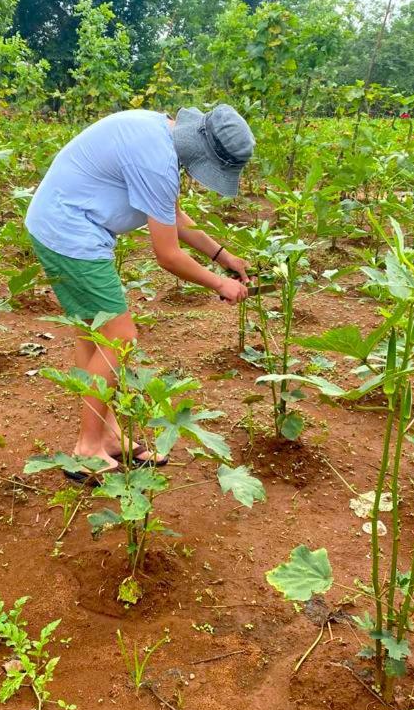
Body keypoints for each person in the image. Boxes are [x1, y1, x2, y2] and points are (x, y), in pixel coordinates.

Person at [25, 104, 255, 475]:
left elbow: (174, 217)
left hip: (61, 224)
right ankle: (86, 448)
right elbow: (167, 255)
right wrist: (219, 283)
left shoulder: (159, 133)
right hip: (70, 234)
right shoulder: (157, 160)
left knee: (93, 337)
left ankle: (109, 436)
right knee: (120, 337)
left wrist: (222, 256)